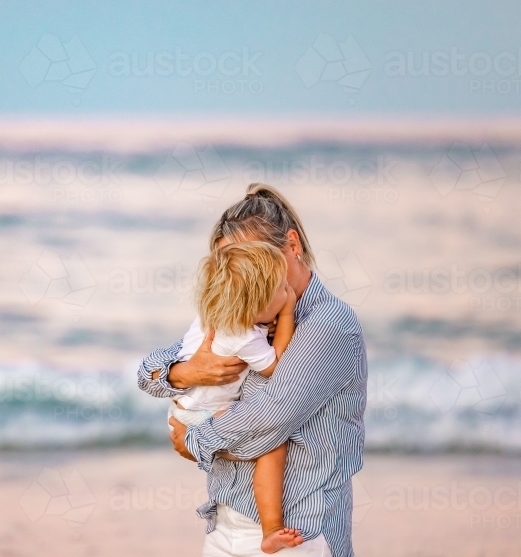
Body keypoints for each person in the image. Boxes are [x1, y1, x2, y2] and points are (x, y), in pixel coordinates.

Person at [137, 183, 367, 557]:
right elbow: (149, 373)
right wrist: (188, 373)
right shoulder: (246, 313)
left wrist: (195, 440)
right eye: (233, 264)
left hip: (298, 532)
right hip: (226, 523)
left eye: (253, 259)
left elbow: (268, 421)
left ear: (292, 246)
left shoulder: (328, 325)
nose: (243, 278)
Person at [171, 241, 301, 553]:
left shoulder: (210, 317)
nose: (289, 289)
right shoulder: (244, 336)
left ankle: (209, 450)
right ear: (258, 306)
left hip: (183, 408)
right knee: (273, 446)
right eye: (282, 289)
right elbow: (277, 366)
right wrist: (287, 313)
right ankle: (270, 527)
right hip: (202, 416)